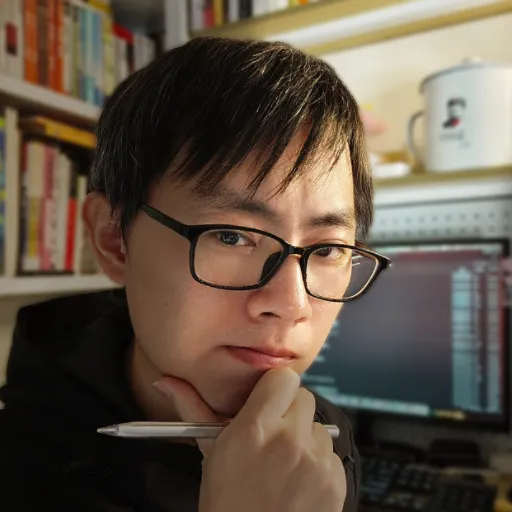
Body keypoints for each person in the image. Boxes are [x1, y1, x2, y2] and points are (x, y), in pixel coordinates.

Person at [0, 37, 389, 511]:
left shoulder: (321, 435)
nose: (292, 305)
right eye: (231, 236)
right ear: (113, 238)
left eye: (327, 248)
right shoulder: (21, 469)